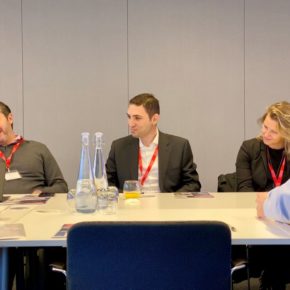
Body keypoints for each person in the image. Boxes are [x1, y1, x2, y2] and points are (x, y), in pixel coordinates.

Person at [0, 101, 68, 290]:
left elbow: (62, 186)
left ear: (10, 118)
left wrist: (42, 193)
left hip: (35, 221)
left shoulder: (38, 149)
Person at [236, 101, 290, 290]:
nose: (265, 133)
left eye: (273, 132)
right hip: (258, 219)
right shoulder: (249, 148)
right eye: (265, 126)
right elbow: (244, 190)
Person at [106, 93, 201, 193]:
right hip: (131, 204)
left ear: (154, 119)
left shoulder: (179, 146)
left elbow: (193, 184)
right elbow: (107, 183)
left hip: (166, 206)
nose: (130, 123)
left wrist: (169, 201)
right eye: (129, 117)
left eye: (137, 118)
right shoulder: (118, 147)